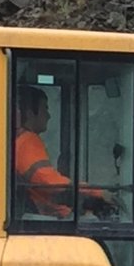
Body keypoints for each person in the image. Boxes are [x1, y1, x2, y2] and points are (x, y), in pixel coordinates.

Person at [14, 85, 108, 218]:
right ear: (30, 113)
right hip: (43, 215)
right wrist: (97, 192)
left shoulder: (17, 139)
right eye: (45, 109)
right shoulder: (28, 141)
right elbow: (49, 181)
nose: (48, 116)